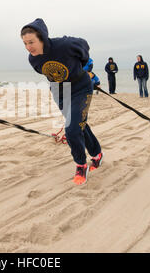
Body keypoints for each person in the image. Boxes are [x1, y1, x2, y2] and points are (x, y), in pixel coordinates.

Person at [21, 18, 103, 185]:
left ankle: (81, 165)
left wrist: (84, 67)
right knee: (79, 125)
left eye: (31, 42)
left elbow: (84, 47)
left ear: (42, 37)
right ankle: (97, 154)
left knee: (72, 128)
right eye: (25, 44)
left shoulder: (64, 45)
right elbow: (49, 75)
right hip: (60, 92)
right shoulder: (33, 59)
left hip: (81, 88)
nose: (28, 47)